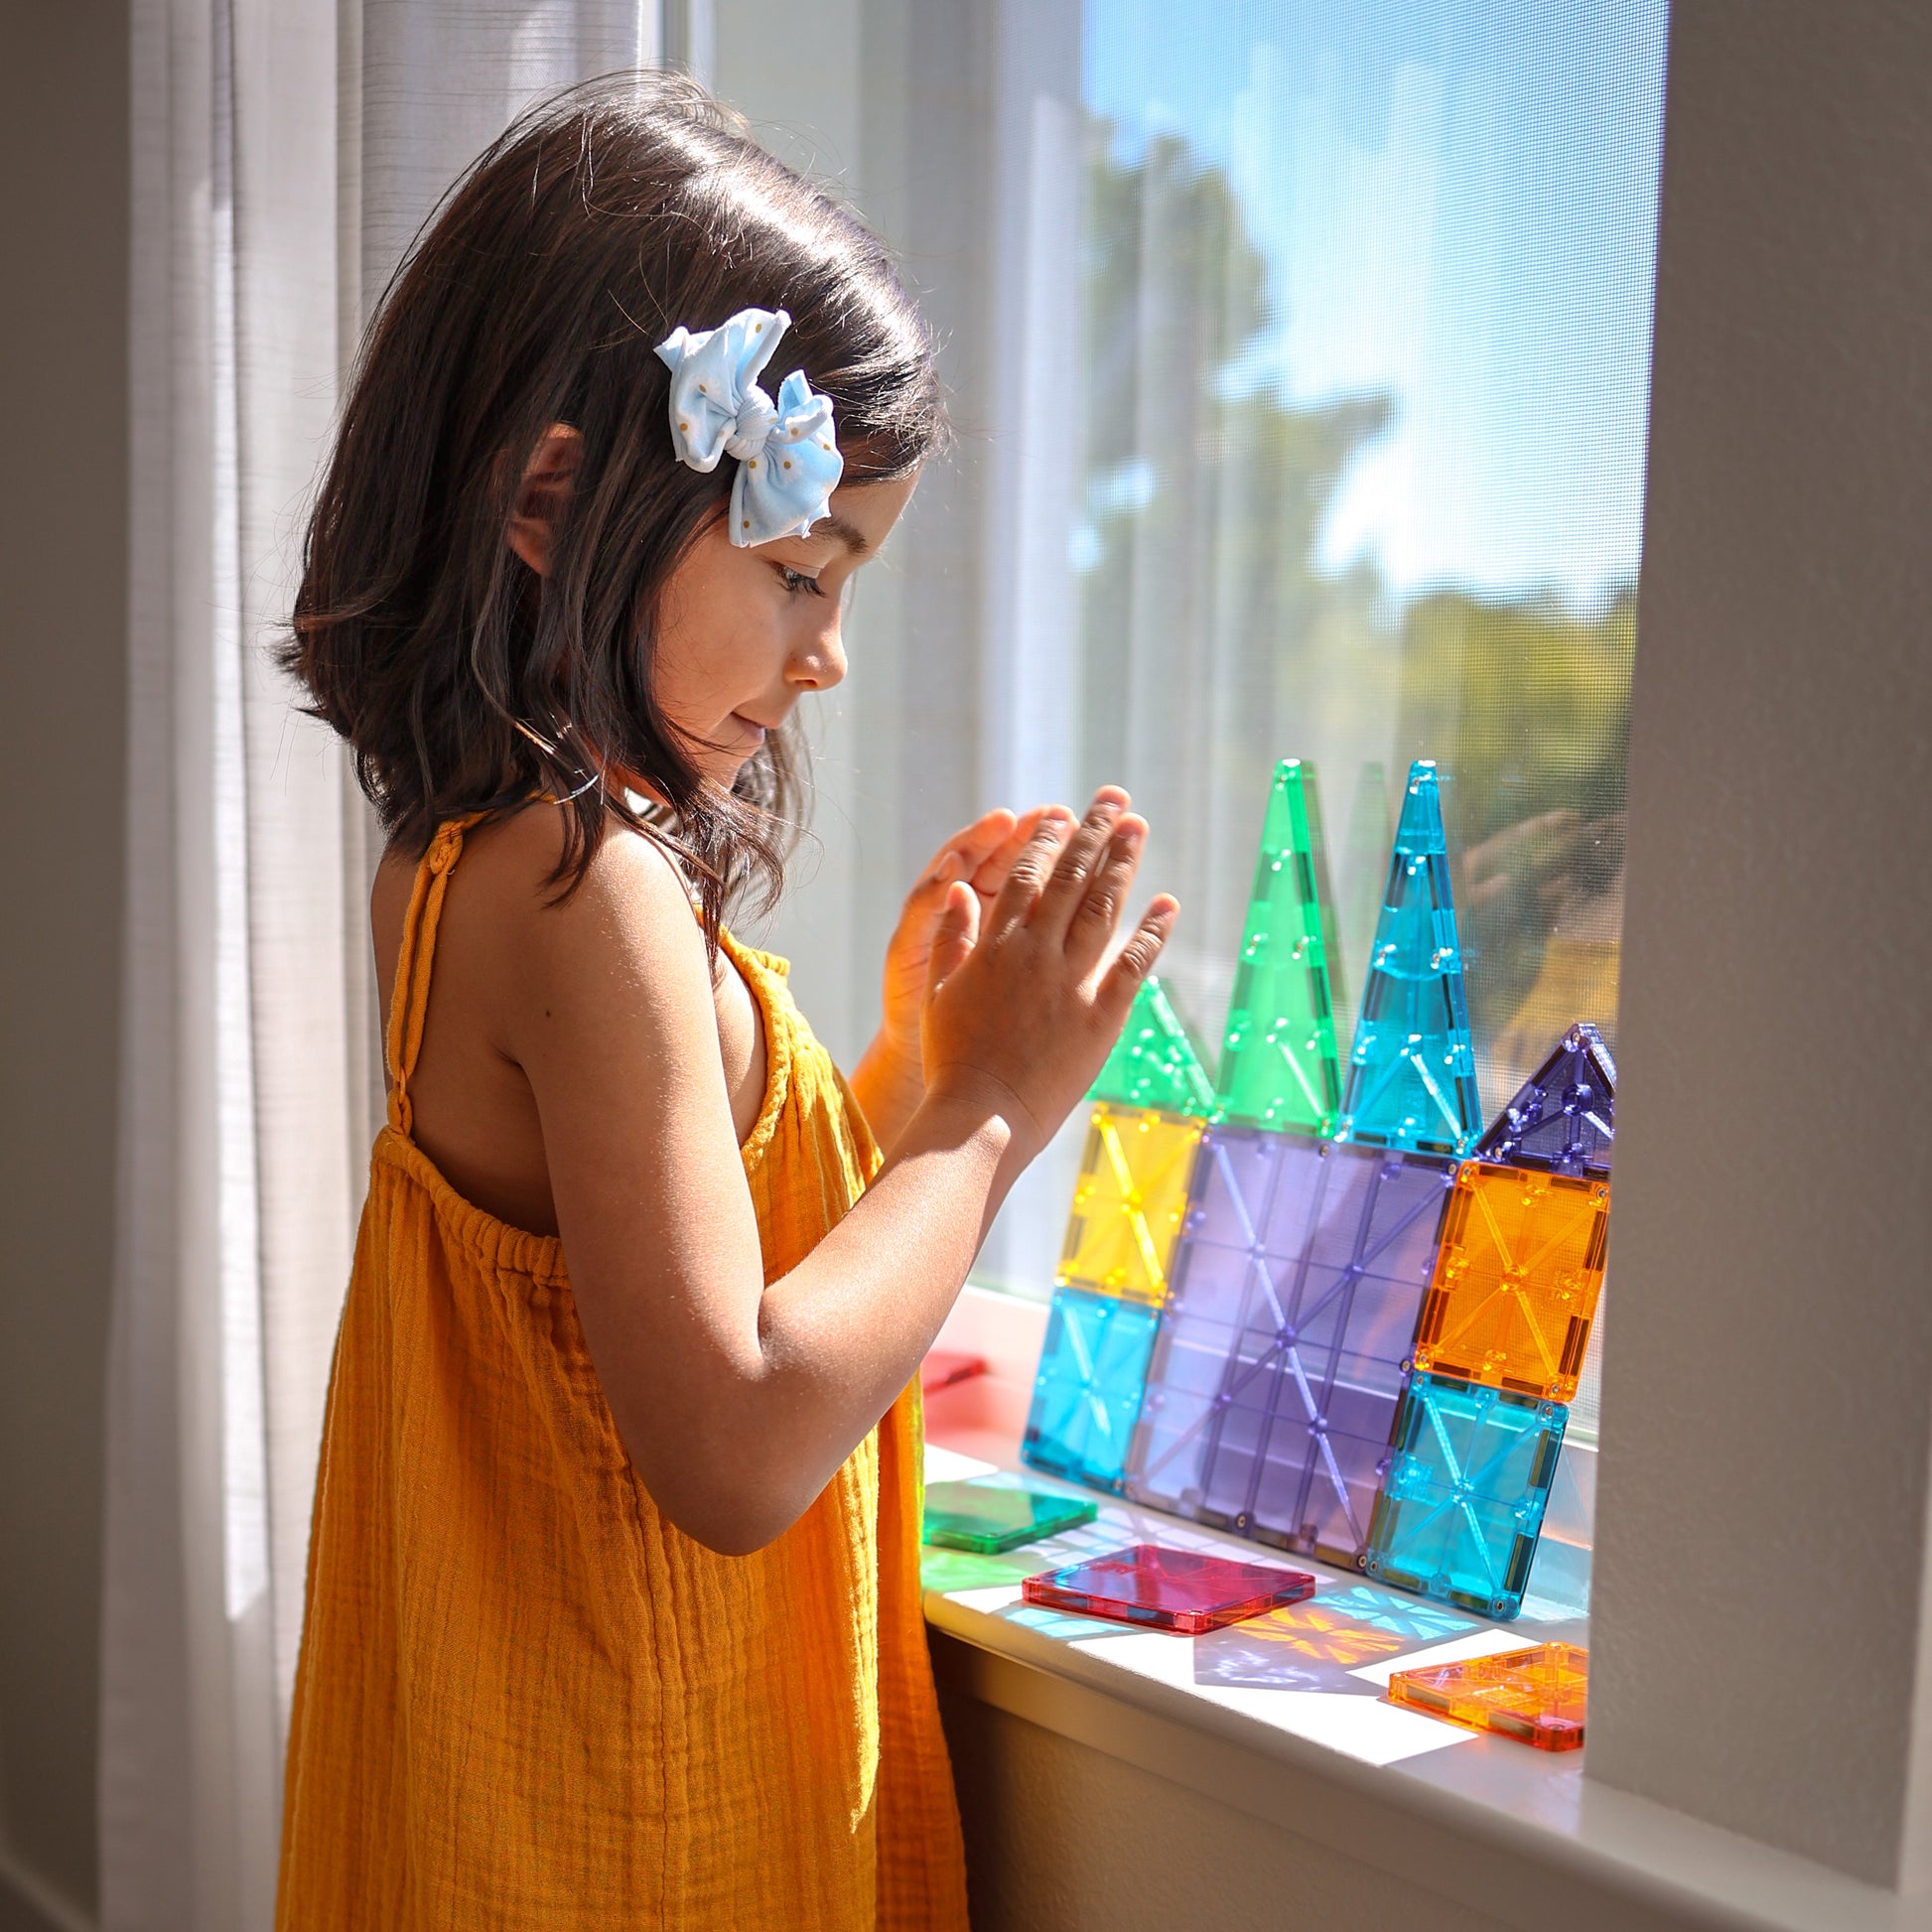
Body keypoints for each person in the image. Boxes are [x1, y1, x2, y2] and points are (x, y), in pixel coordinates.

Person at [274, 70, 1175, 1930]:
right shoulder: (579, 885)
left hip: (542, 1777)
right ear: (552, 501)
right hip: (628, 1818)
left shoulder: (474, 859)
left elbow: (639, 1278)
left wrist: (901, 1069)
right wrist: (986, 1116)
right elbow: (735, 1437)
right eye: (797, 570)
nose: (824, 653)